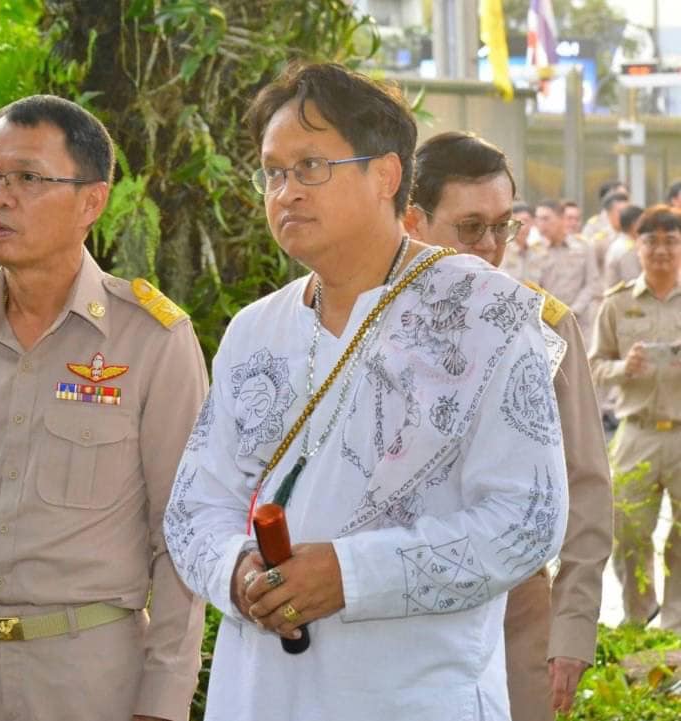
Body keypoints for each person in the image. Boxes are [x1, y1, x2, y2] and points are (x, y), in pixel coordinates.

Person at [164, 62, 567, 720]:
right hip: (260, 693)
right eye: (272, 172)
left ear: (385, 174)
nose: (286, 192)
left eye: (310, 167)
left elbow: (527, 520)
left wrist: (350, 575)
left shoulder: (485, 314)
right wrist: (238, 572)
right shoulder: (255, 330)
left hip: (413, 695)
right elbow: (193, 508)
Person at [0, 95, 208, 721]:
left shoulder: (151, 340)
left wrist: (161, 704)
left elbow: (182, 534)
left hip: (92, 675)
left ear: (92, 201)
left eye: (28, 178)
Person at [405, 131, 612, 721]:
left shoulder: (543, 325)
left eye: (503, 227)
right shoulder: (367, 321)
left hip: (515, 614)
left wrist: (572, 627)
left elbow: (585, 483)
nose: (492, 247)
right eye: (471, 228)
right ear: (413, 220)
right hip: (392, 613)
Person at [590, 204, 681, 632]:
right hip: (636, 432)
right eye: (651, 242)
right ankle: (638, 613)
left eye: (671, 241)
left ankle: (676, 623)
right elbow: (594, 365)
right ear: (637, 247)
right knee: (627, 530)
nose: (661, 250)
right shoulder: (618, 302)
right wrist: (623, 367)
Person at [533, 199, 602, 338]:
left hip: (578, 322)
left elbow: (592, 283)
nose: (541, 224)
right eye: (538, 219)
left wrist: (573, 311)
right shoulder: (535, 250)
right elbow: (533, 288)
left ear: (560, 219)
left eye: (546, 219)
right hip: (546, 324)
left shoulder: (583, 246)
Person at [604, 204, 645, 288]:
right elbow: (633, 282)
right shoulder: (627, 250)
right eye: (643, 223)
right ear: (634, 225)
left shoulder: (621, 243)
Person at [500, 201, 539, 283]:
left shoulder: (537, 254)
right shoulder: (501, 252)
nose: (522, 227)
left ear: (532, 222)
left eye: (525, 221)